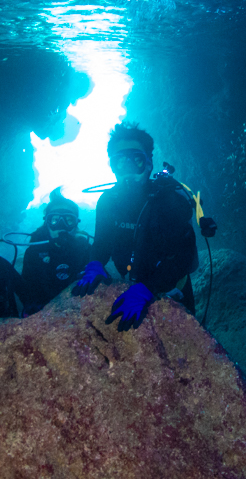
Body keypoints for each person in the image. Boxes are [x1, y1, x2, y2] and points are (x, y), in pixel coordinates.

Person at [74, 122, 214, 331]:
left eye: (136, 160)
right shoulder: (107, 202)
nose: (128, 170)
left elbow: (183, 257)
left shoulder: (169, 200)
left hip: (172, 288)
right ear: (112, 166)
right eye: (120, 162)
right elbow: (102, 244)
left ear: (149, 163)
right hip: (131, 285)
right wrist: (95, 263)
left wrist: (148, 288)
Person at [15, 188, 91, 316]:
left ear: (76, 223)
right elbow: (27, 291)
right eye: (54, 220)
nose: (61, 226)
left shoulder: (85, 250)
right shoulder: (34, 252)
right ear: (47, 222)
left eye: (69, 220)